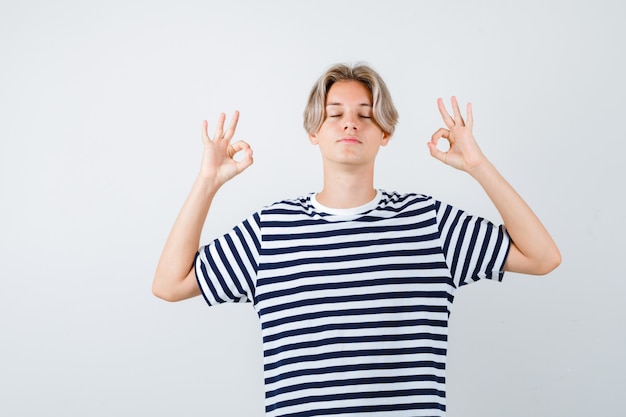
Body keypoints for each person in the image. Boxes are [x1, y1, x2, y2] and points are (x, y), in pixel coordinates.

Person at [153, 63, 561, 417]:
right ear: (314, 131)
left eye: (365, 115)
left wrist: (477, 165)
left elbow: (542, 257)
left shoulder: (428, 223)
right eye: (335, 114)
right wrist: (208, 181)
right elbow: (170, 285)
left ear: (385, 133)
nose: (350, 123)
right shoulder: (271, 230)